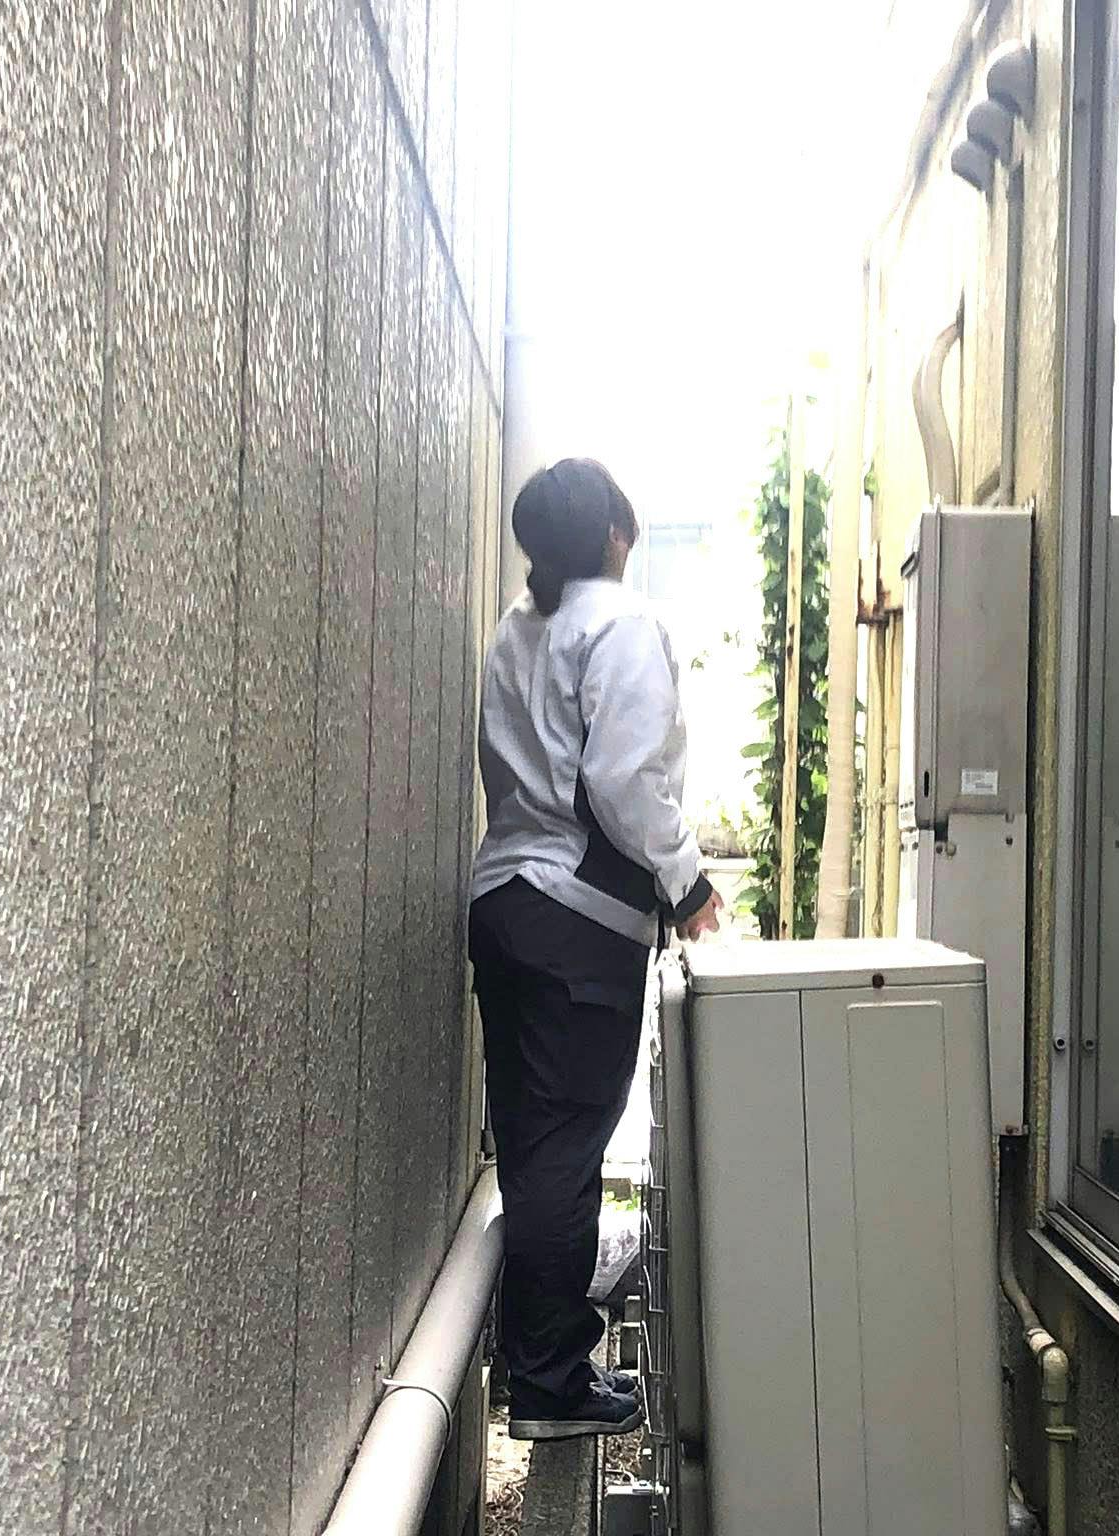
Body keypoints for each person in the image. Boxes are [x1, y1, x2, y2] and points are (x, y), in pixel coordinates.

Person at [468, 457, 724, 1441]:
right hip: (577, 923)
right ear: (615, 537)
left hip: (504, 904)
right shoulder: (619, 622)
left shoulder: (515, 628)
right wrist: (689, 887)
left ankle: (534, 1368)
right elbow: (625, 783)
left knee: (533, 1146)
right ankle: (549, 1385)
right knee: (565, 1153)